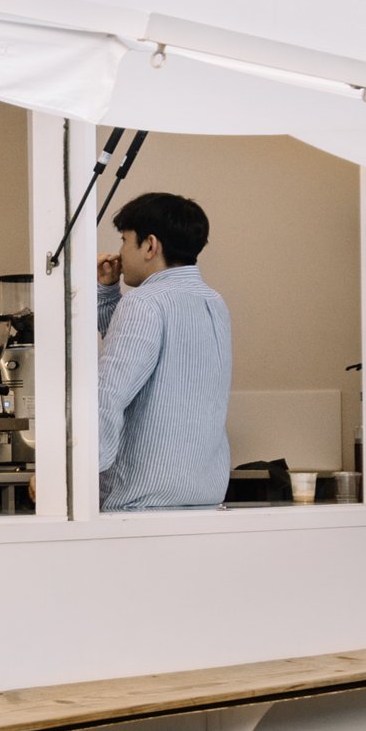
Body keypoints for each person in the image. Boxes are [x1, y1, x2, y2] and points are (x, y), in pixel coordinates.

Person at [97, 191, 232, 510]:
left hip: (142, 501)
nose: (120, 251)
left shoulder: (144, 302)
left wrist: (72, 473)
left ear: (149, 245)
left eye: (124, 240)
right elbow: (139, 353)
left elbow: (109, 394)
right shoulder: (214, 302)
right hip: (205, 497)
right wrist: (107, 293)